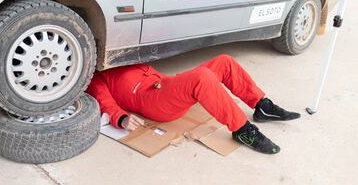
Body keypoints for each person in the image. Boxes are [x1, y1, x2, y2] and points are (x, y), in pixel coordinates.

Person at [86, 54, 300, 154]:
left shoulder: (117, 56)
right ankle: (243, 130)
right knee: (202, 78)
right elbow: (104, 102)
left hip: (164, 84)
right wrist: (120, 118)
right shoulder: (95, 77)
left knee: (224, 62)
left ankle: (261, 105)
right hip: (154, 102)